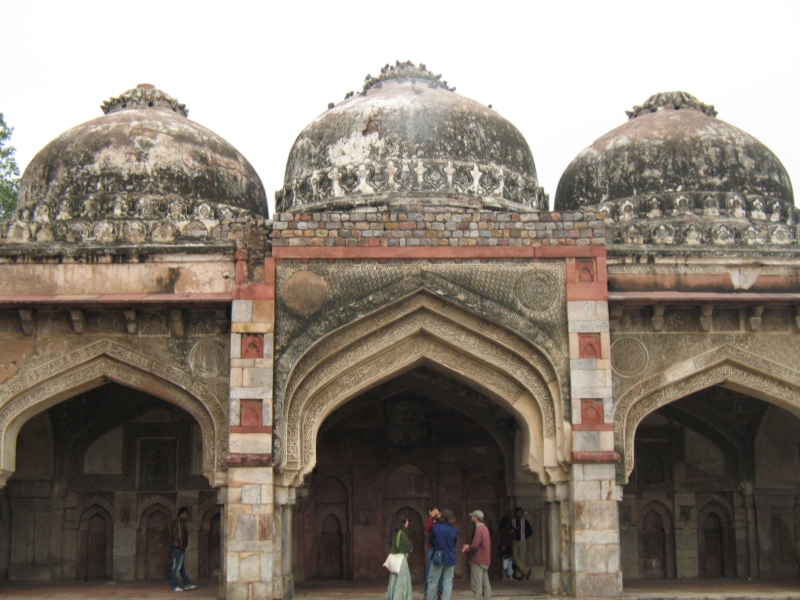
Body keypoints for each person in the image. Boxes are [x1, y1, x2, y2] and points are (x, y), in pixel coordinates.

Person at [426, 509, 457, 600]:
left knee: (433, 581)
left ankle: (431, 598)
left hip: (438, 556)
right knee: (448, 582)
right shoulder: (453, 530)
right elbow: (454, 543)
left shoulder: (436, 527)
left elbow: (430, 541)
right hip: (450, 557)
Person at [461, 510, 491, 600]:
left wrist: (467, 548)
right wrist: (470, 546)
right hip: (485, 560)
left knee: (476, 586)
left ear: (476, 518)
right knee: (486, 585)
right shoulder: (485, 528)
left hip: (478, 560)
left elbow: (475, 546)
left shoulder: (479, 529)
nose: (471, 517)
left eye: (472, 516)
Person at [386, 514, 413, 600]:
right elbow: (409, 546)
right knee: (401, 581)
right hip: (401, 560)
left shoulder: (395, 533)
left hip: (395, 560)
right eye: (407, 521)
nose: (408, 522)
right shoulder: (402, 534)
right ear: (403, 523)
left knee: (394, 580)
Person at [170, 506, 197, 592]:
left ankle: (187, 584)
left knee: (182, 567)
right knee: (176, 567)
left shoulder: (180, 522)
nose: (187, 515)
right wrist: (182, 546)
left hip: (178, 547)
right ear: (181, 513)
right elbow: (180, 536)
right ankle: (173, 586)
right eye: (186, 513)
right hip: (178, 547)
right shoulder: (178, 522)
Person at [424, 508, 445, 599]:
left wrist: (438, 517)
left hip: (440, 549)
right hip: (432, 549)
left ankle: (440, 592)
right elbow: (427, 527)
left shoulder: (443, 523)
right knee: (429, 572)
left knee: (441, 572)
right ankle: (427, 593)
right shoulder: (433, 523)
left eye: (438, 513)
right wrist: (431, 516)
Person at [511, 507, 533, 580]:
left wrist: (524, 536)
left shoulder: (525, 521)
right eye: (518, 512)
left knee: (521, 558)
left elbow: (530, 531)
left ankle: (518, 575)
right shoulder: (512, 521)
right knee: (515, 557)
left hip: (523, 541)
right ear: (515, 513)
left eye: (520, 513)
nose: (519, 514)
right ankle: (526, 571)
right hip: (514, 541)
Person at [498, 516, 515, 581]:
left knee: (506, 561)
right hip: (505, 546)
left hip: (509, 546)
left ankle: (505, 575)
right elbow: (503, 538)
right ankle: (509, 576)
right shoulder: (502, 529)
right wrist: (503, 545)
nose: (509, 523)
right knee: (507, 562)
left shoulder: (508, 529)